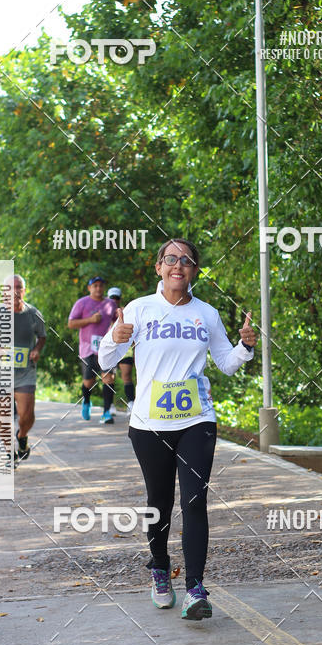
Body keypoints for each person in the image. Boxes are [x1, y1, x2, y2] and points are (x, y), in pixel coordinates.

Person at [99, 239, 256, 621]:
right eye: (171, 259)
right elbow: (104, 359)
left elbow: (226, 363)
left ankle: (195, 589)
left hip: (196, 421)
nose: (178, 266)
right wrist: (117, 341)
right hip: (149, 425)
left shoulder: (207, 314)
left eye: (186, 260)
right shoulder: (138, 310)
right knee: (159, 503)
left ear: (194, 270)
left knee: (195, 501)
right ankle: (158, 566)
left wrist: (246, 347)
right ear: (159, 268)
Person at [68, 277, 117, 424]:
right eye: (95, 286)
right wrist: (90, 320)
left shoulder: (110, 304)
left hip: (106, 348)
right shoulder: (82, 303)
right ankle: (86, 400)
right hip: (88, 348)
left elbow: (117, 320)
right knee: (89, 381)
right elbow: (71, 323)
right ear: (89, 288)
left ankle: (106, 412)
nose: (98, 288)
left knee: (109, 378)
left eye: (101, 286)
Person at [10, 275, 46, 463]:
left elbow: (42, 336)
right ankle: (9, 455)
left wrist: (37, 350)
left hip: (26, 372)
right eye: (11, 287)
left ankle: (22, 436)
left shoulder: (33, 313)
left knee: (26, 416)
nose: (15, 291)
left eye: (19, 287)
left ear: (24, 290)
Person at [107, 287, 135, 413]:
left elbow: (132, 330)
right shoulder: (103, 313)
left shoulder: (126, 311)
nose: (114, 301)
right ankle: (109, 406)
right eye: (111, 298)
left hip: (125, 348)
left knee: (126, 375)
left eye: (116, 298)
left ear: (119, 299)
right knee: (109, 377)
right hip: (109, 349)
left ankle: (131, 403)